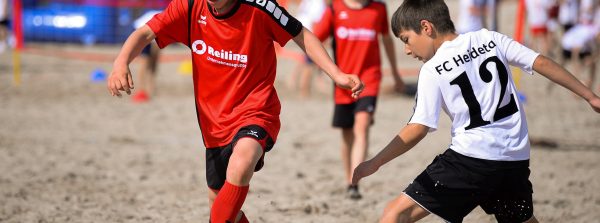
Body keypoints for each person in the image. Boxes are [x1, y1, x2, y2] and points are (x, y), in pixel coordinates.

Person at [107, 0, 364, 222]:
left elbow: (301, 34)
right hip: (213, 125)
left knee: (241, 164)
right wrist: (121, 63)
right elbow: (145, 33)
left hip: (257, 111)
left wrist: (337, 74)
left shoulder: (261, 8)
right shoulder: (189, 6)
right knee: (222, 209)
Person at [351, 0, 600, 222]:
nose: (406, 49)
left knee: (395, 214)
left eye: (406, 39)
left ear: (426, 27)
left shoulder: (432, 69)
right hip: (514, 160)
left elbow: (418, 127)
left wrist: (375, 162)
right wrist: (589, 95)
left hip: (470, 161)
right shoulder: (490, 38)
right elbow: (541, 62)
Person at [311, 0, 405, 200]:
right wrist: (321, 71)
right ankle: (349, 179)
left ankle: (354, 183)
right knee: (347, 135)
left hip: (370, 79)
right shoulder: (334, 9)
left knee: (361, 127)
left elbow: (387, 41)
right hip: (343, 83)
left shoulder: (378, 9)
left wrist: (396, 74)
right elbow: (313, 40)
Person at [287, 0, 328, 98]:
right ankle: (304, 90)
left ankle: (292, 80)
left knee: (306, 59)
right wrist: (318, 39)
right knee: (310, 62)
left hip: (298, 28)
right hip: (307, 32)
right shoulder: (319, 3)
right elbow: (315, 21)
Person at [131, 10, 161, 103]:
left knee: (153, 62)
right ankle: (142, 89)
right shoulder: (167, 19)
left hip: (147, 30)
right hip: (141, 30)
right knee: (145, 62)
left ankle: (150, 88)